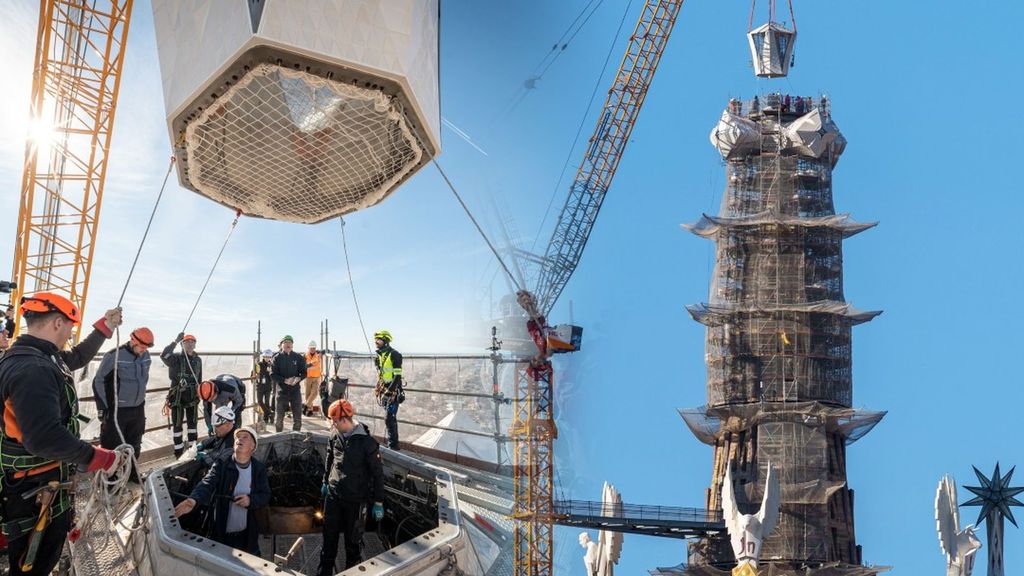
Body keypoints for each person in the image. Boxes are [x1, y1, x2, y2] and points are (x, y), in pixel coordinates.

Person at [0, 293, 123, 575]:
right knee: (34, 562)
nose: (70, 333)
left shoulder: (38, 357)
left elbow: (77, 356)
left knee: (36, 557)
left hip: (36, 484)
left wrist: (104, 327)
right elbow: (43, 437)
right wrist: (97, 457)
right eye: (69, 326)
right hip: (33, 489)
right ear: (57, 322)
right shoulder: (34, 369)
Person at [173, 426, 270, 555]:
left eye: (245, 437)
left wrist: (251, 500)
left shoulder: (258, 469)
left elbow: (265, 495)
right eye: (237, 437)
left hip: (247, 533)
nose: (239, 439)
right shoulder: (222, 464)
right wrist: (193, 500)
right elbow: (208, 482)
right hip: (222, 531)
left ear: (253, 446)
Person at [316, 400, 385, 574]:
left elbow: (377, 474)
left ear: (344, 419)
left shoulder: (367, 443)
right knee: (329, 536)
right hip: (334, 495)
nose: (333, 424)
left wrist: (378, 501)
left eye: (335, 421)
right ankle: (325, 570)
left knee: (352, 541)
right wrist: (326, 481)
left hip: (356, 500)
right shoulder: (335, 435)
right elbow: (330, 459)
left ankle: (351, 570)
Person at [93, 326, 153, 483]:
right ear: (133, 340)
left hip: (138, 408)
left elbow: (143, 380)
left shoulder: (146, 356)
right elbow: (99, 381)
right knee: (112, 446)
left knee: (135, 444)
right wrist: (103, 408)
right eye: (141, 347)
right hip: (117, 411)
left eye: (147, 347)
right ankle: (108, 480)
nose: (143, 351)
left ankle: (132, 474)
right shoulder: (114, 356)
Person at [161, 332, 203, 458]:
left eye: (192, 342)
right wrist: (174, 341)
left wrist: (200, 392)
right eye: (186, 342)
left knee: (192, 424)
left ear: (195, 344)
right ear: (182, 344)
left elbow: (199, 378)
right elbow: (164, 355)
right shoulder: (176, 358)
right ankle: (178, 453)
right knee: (177, 425)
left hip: (192, 395)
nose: (190, 344)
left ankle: (193, 450)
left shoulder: (198, 360)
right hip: (177, 396)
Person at [373, 330, 404, 450]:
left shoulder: (395, 355)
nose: (376, 342)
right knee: (389, 418)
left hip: (393, 390)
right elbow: (383, 374)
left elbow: (397, 376)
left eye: (379, 339)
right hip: (385, 388)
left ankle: (394, 446)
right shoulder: (381, 355)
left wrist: (389, 391)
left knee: (389, 418)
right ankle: (393, 445)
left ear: (385, 340)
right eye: (376, 339)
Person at [272, 335, 306, 432]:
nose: (288, 344)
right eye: (286, 342)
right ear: (281, 345)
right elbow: (272, 374)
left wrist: (298, 378)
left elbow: (304, 372)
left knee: (298, 419)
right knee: (279, 419)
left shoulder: (298, 357)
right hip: (281, 391)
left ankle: (296, 438)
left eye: (290, 343)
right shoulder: (276, 358)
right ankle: (278, 439)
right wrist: (285, 380)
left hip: (295, 391)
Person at [253, 349, 275, 425]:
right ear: (263, 356)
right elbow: (254, 373)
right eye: (266, 356)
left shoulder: (271, 365)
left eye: (269, 357)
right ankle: (270, 414)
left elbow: (273, 376)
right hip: (260, 386)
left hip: (268, 386)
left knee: (267, 402)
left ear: (270, 357)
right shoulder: (259, 364)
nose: (267, 358)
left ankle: (266, 418)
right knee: (259, 401)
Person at [303, 340, 322, 417]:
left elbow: (323, 353)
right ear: (308, 348)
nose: (312, 349)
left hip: (316, 377)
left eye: (314, 348)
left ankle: (305, 405)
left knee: (315, 393)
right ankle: (310, 410)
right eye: (311, 348)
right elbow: (304, 365)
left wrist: (323, 352)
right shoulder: (305, 356)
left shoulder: (318, 355)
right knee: (308, 394)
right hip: (308, 377)